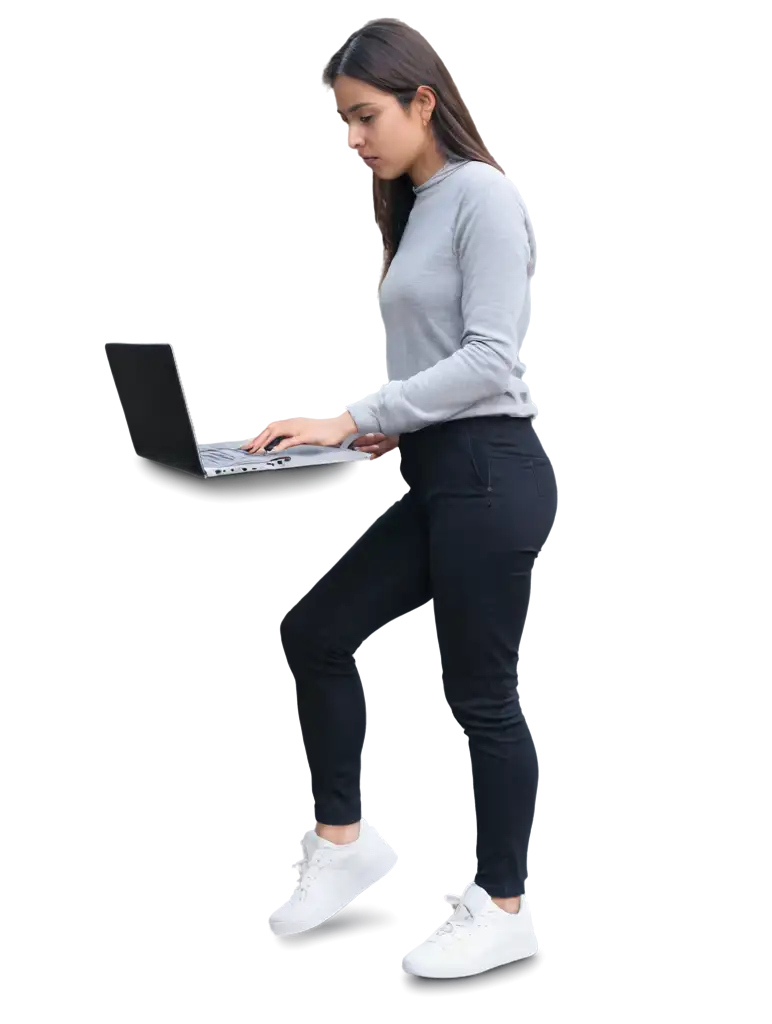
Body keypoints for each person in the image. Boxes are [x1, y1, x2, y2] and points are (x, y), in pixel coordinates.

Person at [242, 16, 555, 980]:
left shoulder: (484, 197)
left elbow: (493, 360)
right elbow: (446, 363)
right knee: (315, 630)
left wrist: (351, 416)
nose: (353, 142)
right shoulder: (417, 208)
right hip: (439, 472)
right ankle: (344, 847)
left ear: (424, 101)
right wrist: (396, 427)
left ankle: (505, 907)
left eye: (366, 116)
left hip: (491, 477)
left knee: (481, 698)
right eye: (341, 122)